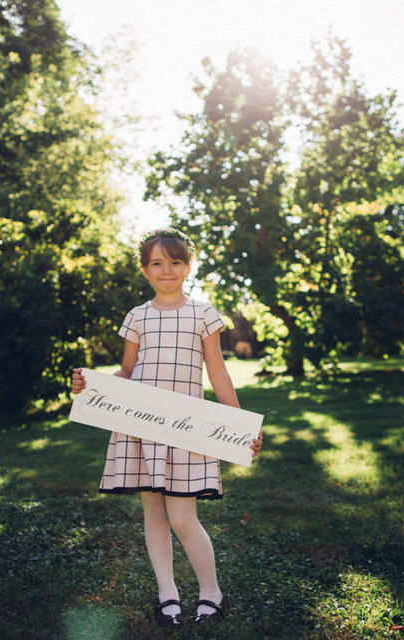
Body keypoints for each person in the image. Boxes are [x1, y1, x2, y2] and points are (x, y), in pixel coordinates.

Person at [71, 227, 263, 627]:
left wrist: (241, 427)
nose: (167, 270)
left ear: (188, 267)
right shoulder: (136, 317)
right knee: (154, 515)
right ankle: (168, 596)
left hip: (185, 429)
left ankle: (211, 593)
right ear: (145, 270)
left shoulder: (203, 313)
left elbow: (218, 372)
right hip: (140, 426)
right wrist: (91, 386)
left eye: (175, 262)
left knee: (182, 518)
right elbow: (126, 371)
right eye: (157, 263)